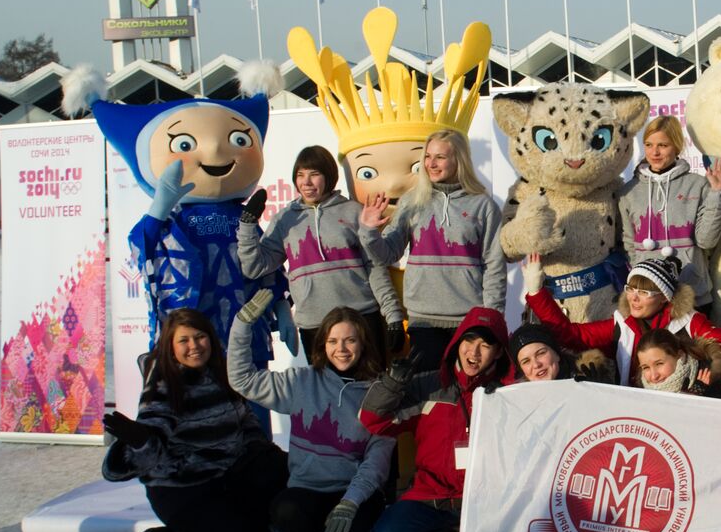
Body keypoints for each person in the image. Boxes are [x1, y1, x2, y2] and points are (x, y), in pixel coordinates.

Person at [229, 292, 395, 532]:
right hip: (308, 487)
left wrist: (350, 501)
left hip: (353, 491)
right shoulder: (301, 382)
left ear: (364, 344)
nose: (341, 349)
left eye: (350, 340)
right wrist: (242, 326)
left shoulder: (378, 393)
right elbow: (243, 381)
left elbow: (377, 462)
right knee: (285, 510)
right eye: (333, 341)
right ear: (322, 345)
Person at [103, 308, 288, 532]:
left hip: (225, 475)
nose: (194, 346)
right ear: (171, 346)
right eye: (184, 340)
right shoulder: (164, 386)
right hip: (185, 489)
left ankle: (246, 520)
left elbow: (245, 422)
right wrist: (140, 441)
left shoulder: (219, 373)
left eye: (200, 337)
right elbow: (148, 449)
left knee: (283, 469)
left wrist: (263, 455)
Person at [360, 307, 512, 532]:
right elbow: (372, 420)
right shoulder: (427, 385)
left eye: (485, 345)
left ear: (499, 352)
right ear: (457, 343)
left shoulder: (507, 394)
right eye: (468, 341)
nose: (473, 353)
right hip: (430, 496)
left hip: (482, 500)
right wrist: (392, 384)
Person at [358, 129, 506, 371]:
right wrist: (369, 231)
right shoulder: (412, 201)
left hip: (469, 319)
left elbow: (494, 266)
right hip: (423, 319)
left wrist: (491, 319)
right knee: (430, 397)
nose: (431, 164)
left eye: (440, 157)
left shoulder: (483, 205)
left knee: (467, 397)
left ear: (459, 160)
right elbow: (388, 253)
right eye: (427, 156)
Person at [238, 144, 405, 359]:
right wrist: (247, 225)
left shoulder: (353, 211)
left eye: (314, 174)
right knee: (326, 391)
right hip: (314, 324)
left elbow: (375, 267)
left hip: (361, 317)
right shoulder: (285, 219)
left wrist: (393, 317)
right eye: (300, 175)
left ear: (329, 176)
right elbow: (254, 267)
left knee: (372, 390)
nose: (306, 182)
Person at [524, 253, 721, 387]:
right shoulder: (621, 323)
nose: (633, 297)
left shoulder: (689, 322)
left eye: (643, 292)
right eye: (630, 288)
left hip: (679, 407)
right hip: (634, 409)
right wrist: (537, 293)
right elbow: (572, 335)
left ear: (664, 297)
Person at [618, 115, 721, 312]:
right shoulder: (629, 192)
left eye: (663, 145)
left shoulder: (697, 184)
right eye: (649, 145)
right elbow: (629, 243)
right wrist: (641, 278)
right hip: (648, 298)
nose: (655, 152)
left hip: (692, 292)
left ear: (676, 146)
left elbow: (706, 241)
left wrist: (716, 194)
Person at [634, 328, 721, 398]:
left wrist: (702, 397)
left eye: (659, 364)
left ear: (679, 355)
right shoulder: (638, 391)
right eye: (646, 367)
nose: (654, 376)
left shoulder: (708, 378)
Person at [509, 324, 576, 382]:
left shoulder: (584, 380)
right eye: (526, 361)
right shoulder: (519, 396)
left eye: (541, 353)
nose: (536, 365)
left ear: (556, 354)